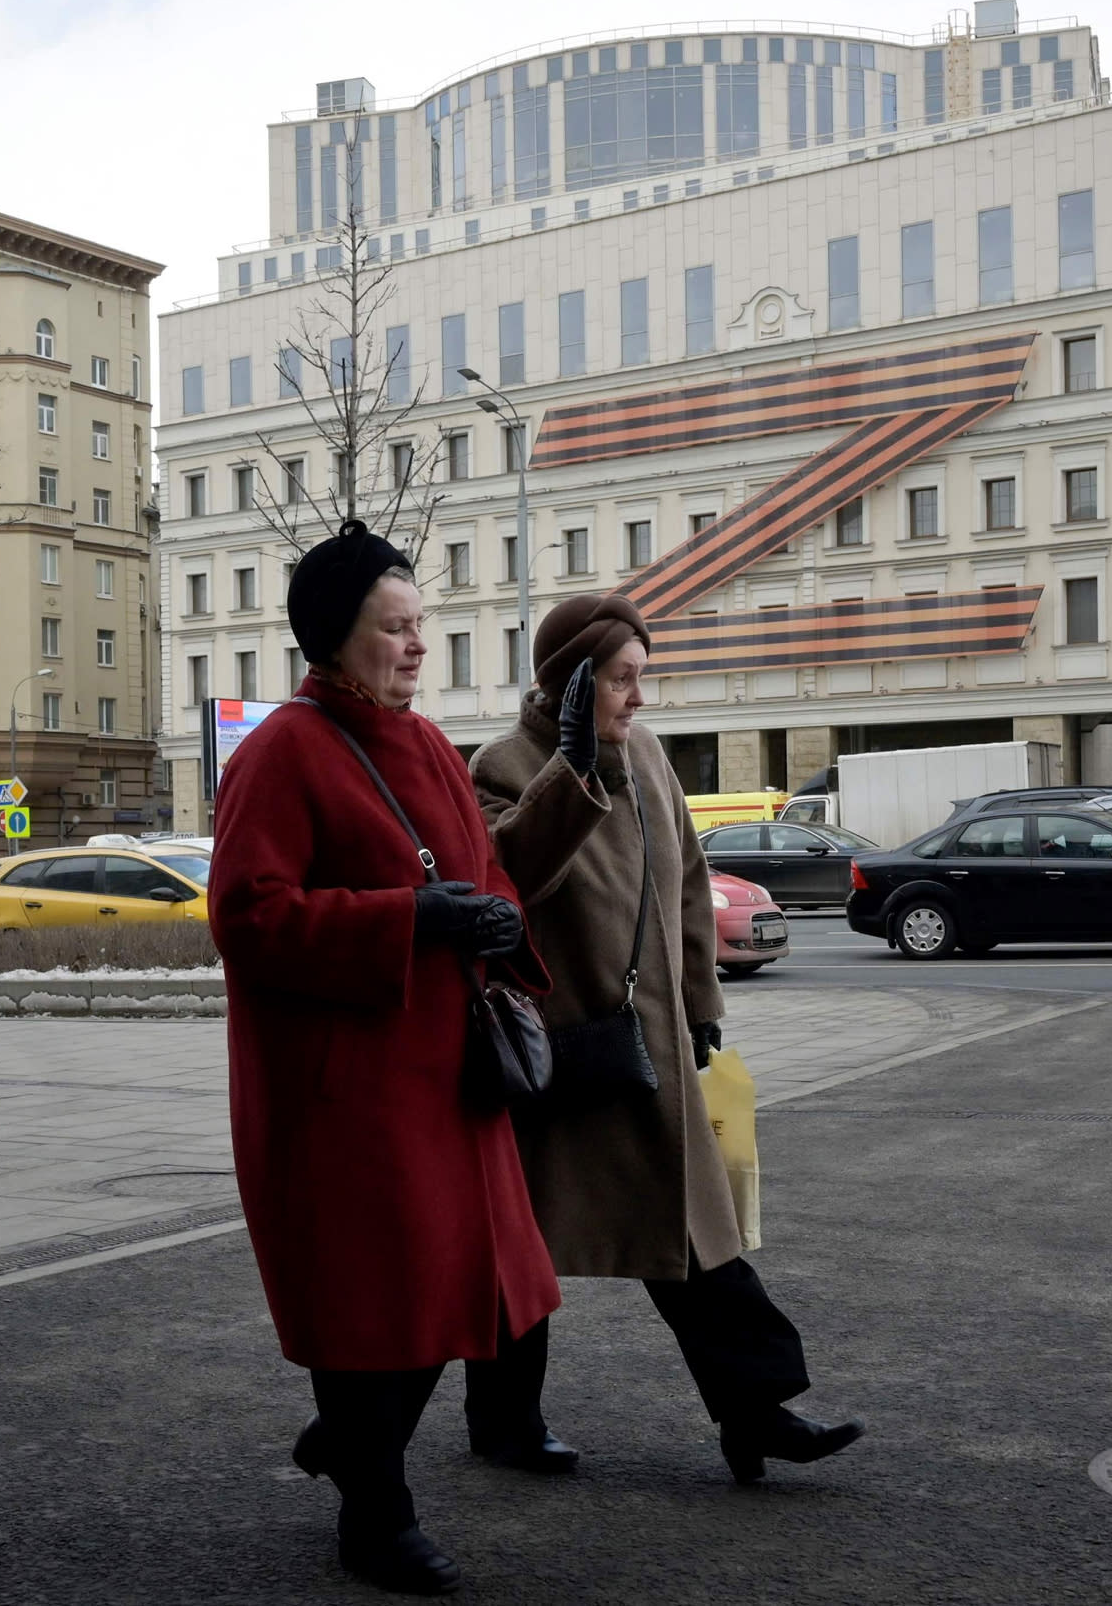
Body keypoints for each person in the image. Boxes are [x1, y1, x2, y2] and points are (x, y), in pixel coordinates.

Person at [209, 520, 560, 1597]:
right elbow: (250, 916)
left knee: (463, 1292)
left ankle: (346, 1445)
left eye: (420, 625)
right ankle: (376, 1511)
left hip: (445, 1074)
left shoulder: (426, 741)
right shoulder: (283, 748)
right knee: (379, 1303)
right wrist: (409, 919)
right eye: (393, 627)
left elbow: (483, 875)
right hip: (346, 1087)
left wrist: (495, 921)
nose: (415, 645)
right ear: (333, 635)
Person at [469, 593, 864, 1484]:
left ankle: (756, 1411)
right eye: (621, 679)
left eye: (643, 676)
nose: (639, 697)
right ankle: (502, 1419)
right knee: (523, 1245)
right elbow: (506, 881)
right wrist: (570, 768)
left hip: (648, 1042)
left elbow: (687, 878)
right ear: (573, 683)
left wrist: (699, 994)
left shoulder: (646, 753)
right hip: (560, 1055)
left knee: (693, 1232)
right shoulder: (504, 763)